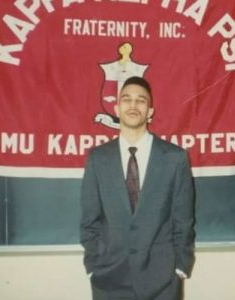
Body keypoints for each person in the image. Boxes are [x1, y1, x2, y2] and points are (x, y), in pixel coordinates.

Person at [80, 76, 195, 300]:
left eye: (141, 101)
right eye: (126, 99)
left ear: (150, 111)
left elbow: (184, 220)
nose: (133, 105)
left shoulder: (175, 158)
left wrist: (180, 267)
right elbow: (89, 221)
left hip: (162, 282)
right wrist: (93, 265)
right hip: (109, 280)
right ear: (116, 108)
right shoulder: (97, 159)